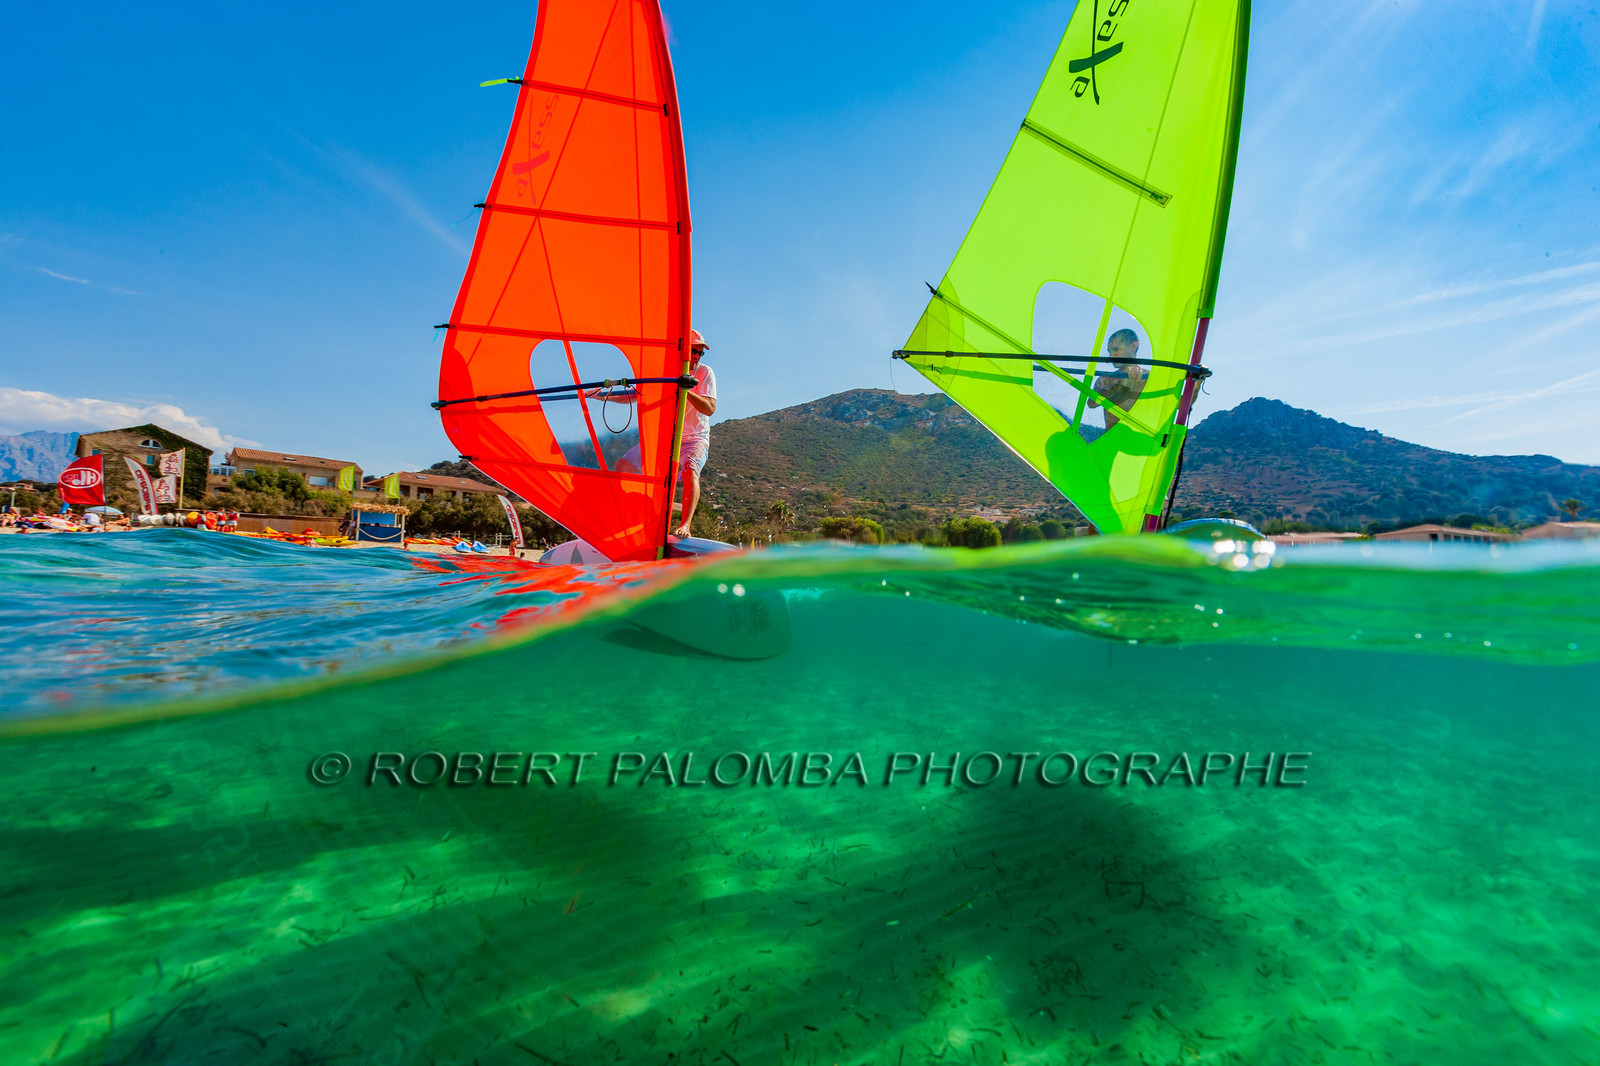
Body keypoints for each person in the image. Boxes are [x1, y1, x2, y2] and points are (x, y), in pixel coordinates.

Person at [593, 328, 717, 538]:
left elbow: (710, 408)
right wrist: (602, 395)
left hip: (694, 439)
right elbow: (636, 395)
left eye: (700, 352)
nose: (697, 356)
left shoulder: (705, 372)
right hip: (665, 440)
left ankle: (685, 525)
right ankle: (643, 512)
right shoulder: (664, 370)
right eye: (693, 351)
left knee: (690, 470)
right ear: (681, 350)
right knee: (623, 465)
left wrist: (685, 390)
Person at [1088, 328, 1148, 430]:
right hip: (1111, 438)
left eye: (1116, 349)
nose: (1111, 356)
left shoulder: (1149, 377)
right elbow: (1092, 404)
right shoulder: (1106, 379)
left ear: (1133, 346)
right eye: (1109, 352)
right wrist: (1120, 382)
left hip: (1144, 437)